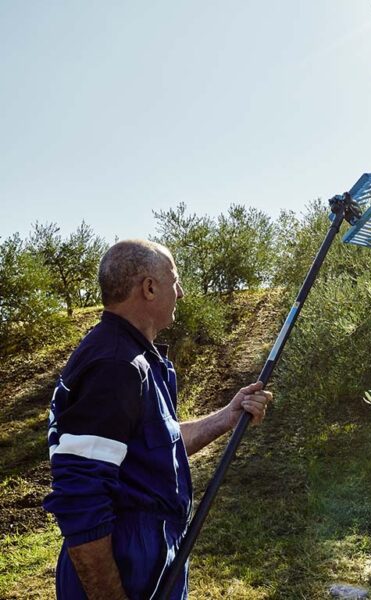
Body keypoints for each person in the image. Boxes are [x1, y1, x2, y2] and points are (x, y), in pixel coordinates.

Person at [43, 239, 271, 600]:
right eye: (175, 280)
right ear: (149, 287)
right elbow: (80, 502)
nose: (180, 292)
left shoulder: (135, 360)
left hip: (149, 554)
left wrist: (228, 416)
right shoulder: (115, 366)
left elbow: (156, 446)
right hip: (122, 562)